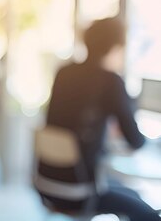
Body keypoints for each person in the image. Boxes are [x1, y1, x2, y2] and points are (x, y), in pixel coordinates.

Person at [37, 17, 160, 220]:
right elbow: (135, 140)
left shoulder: (64, 73)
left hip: (46, 183)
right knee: (147, 213)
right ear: (115, 47)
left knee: (128, 193)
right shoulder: (110, 82)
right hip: (80, 190)